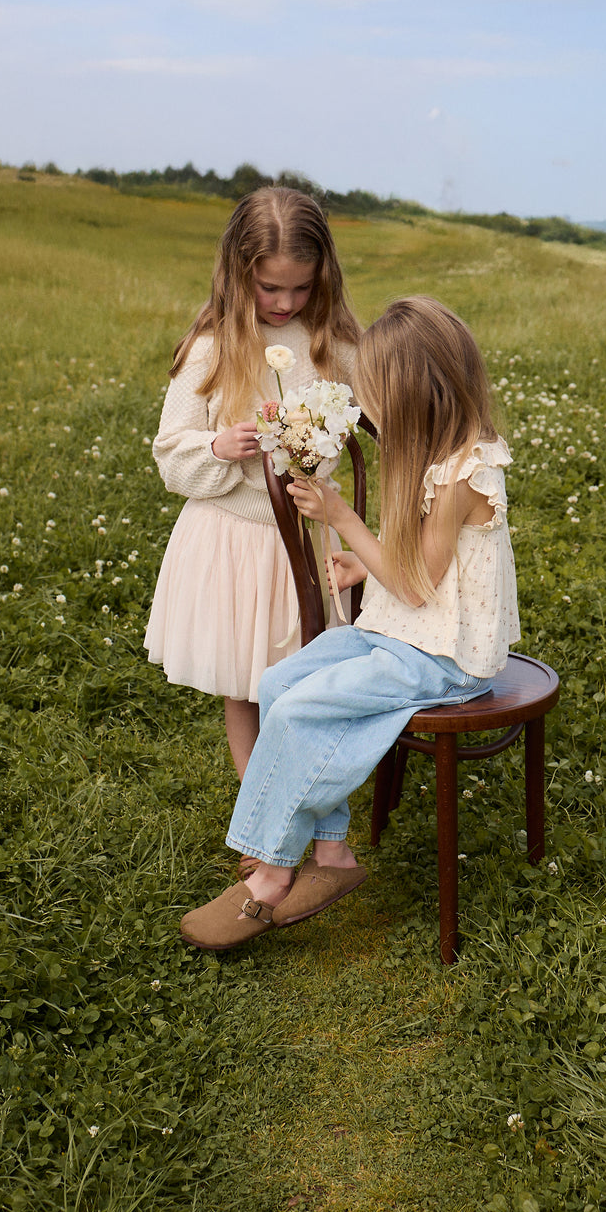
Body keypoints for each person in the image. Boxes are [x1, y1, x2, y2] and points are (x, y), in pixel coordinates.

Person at [180, 296, 519, 950]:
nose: (370, 412)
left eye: (377, 397)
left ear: (421, 394)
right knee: (281, 684)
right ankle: (331, 855)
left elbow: (418, 587)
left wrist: (342, 519)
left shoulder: (465, 475)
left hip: (443, 655)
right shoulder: (436, 452)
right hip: (404, 629)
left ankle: (273, 875)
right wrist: (366, 570)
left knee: (303, 709)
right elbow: (427, 563)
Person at [144, 186, 362, 778]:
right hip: (235, 539)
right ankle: (256, 803)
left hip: (312, 535)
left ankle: (306, 796)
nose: (286, 302)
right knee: (244, 683)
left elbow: (369, 418)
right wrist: (217, 447)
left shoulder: (335, 345)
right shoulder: (213, 347)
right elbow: (170, 454)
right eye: (271, 288)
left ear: (324, 276)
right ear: (240, 274)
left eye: (301, 287)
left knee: (308, 679)